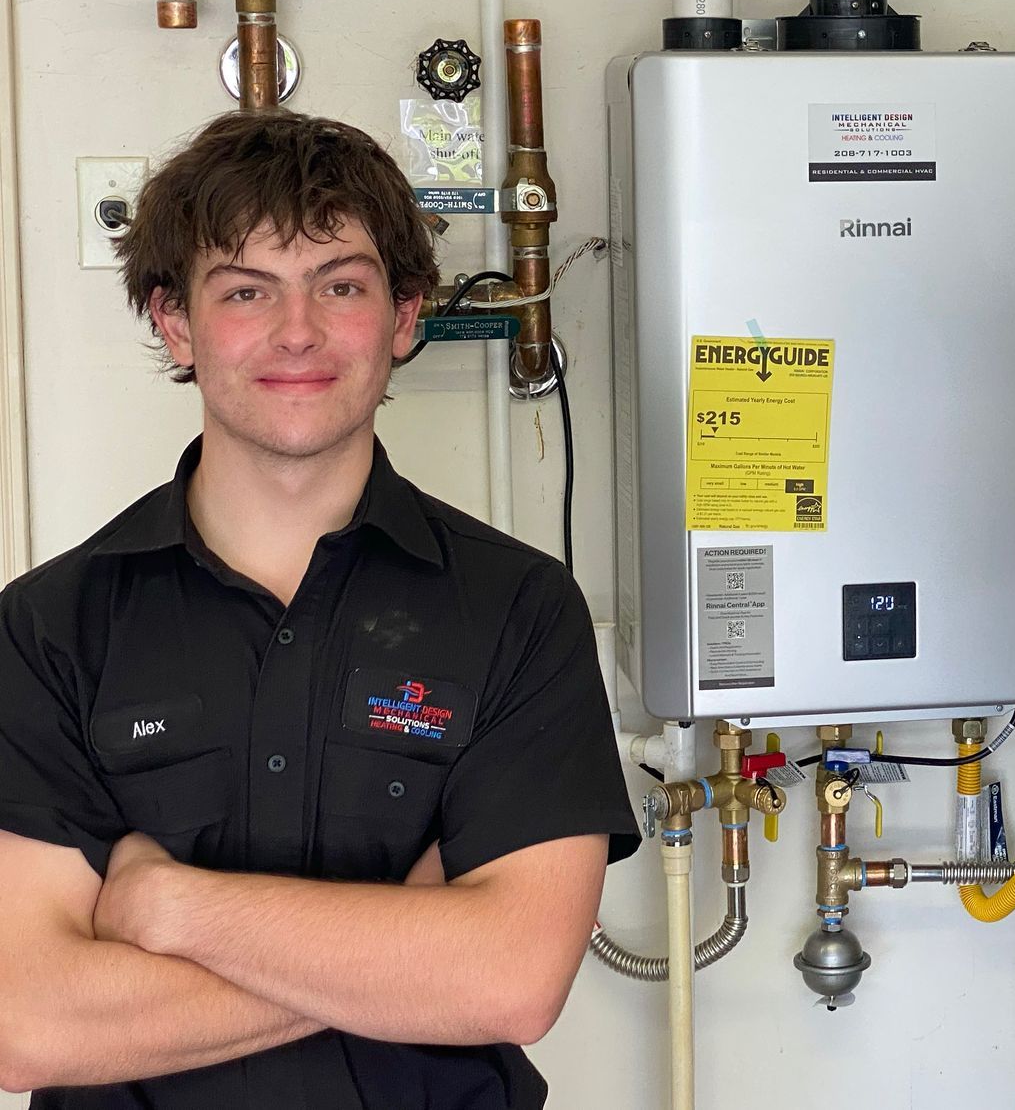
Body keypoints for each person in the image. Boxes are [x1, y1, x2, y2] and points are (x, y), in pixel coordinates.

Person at [0, 110, 640, 1107]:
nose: (297, 331)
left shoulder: (519, 609)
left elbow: (511, 984)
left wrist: (173, 908)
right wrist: (405, 942)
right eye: (246, 291)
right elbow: (27, 1023)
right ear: (175, 323)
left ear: (404, 315)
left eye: (340, 285)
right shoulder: (47, 630)